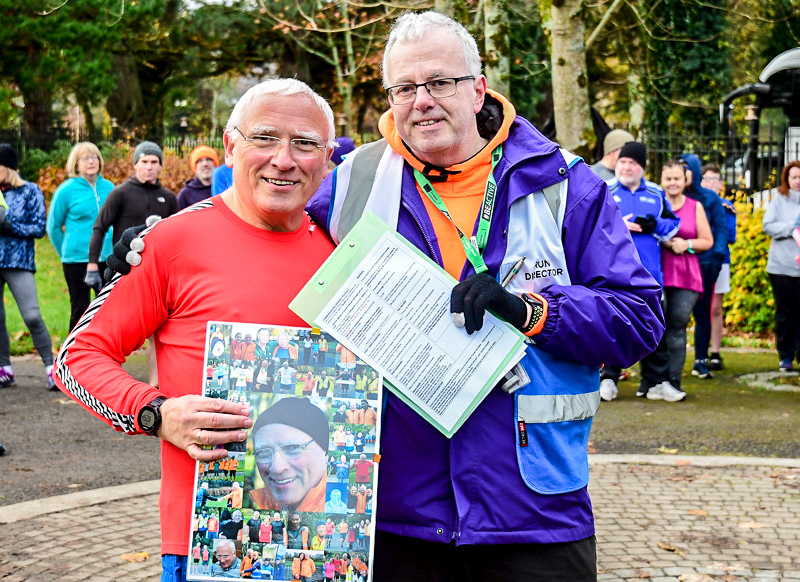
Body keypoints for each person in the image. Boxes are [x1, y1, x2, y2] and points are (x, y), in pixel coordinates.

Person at [305, 12, 662, 580]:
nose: (422, 100)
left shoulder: (562, 182)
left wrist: (534, 312)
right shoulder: (352, 183)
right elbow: (265, 235)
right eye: (404, 87)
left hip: (533, 510)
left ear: (477, 90)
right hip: (395, 510)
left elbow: (638, 319)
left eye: (439, 82)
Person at [53, 78, 337, 581]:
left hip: (325, 545)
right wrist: (157, 413)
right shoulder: (170, 241)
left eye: (305, 143)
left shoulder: (343, 250)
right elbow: (76, 359)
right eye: (264, 138)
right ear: (230, 146)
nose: (284, 159)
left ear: (327, 157)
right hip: (205, 547)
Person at [87, 140, 179, 387]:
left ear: (160, 166)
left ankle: (156, 384)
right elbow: (99, 227)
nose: (148, 166)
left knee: (158, 331)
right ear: (135, 164)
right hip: (125, 269)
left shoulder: (168, 198)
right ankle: (107, 380)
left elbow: (179, 236)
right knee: (117, 327)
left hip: (159, 273)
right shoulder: (121, 193)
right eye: (144, 161)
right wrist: (93, 265)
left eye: (154, 162)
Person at [602, 142, 679, 401]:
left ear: (642, 168)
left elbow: (673, 226)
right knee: (612, 326)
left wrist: (654, 225)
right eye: (623, 162)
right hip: (613, 275)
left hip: (649, 275)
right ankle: (607, 379)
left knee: (653, 327)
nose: (626, 167)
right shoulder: (605, 190)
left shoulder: (656, 193)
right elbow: (590, 226)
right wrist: (618, 225)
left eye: (633, 163)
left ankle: (654, 383)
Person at [0, 143, 55, 389]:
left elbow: (38, 228)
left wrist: (8, 224)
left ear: (8, 167)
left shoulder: (30, 191)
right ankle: (4, 368)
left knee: (32, 316)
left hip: (18, 261)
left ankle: (52, 368)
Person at [658, 160, 713, 397]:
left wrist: (687, 244)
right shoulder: (655, 203)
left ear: (685, 181)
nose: (672, 183)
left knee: (677, 327)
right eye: (668, 178)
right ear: (661, 180)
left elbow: (707, 241)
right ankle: (654, 380)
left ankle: (673, 380)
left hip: (686, 276)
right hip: (658, 273)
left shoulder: (695, 206)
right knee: (656, 327)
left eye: (677, 178)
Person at [47, 142, 115, 331]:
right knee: (80, 310)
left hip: (106, 259)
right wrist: (66, 252)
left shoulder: (109, 187)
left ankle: (105, 348)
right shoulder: (66, 190)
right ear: (75, 164)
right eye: (85, 158)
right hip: (76, 261)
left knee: (108, 309)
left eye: (94, 157)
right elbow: (53, 227)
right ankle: (75, 349)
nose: (91, 162)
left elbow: (117, 221)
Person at [678, 153, 727, 379]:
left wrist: (717, 257)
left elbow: (721, 229)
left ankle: (701, 359)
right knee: (675, 314)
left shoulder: (710, 198)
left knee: (703, 312)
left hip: (705, 263)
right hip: (679, 262)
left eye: (686, 169)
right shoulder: (673, 196)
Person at [249, 397, 329, 511]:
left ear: (326, 452)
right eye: (263, 452)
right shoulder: (259, 506)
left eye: (292, 448)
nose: (276, 468)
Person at [763, 161, 800, 371]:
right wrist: (793, 228)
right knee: (785, 313)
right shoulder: (778, 199)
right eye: (794, 177)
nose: (797, 181)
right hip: (782, 268)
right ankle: (785, 355)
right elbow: (768, 225)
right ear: (787, 179)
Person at [701, 164, 736, 370]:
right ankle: (700, 352)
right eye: (707, 179)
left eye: (715, 179)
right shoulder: (696, 203)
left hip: (719, 259)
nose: (711, 183)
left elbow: (730, 234)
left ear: (721, 184)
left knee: (715, 307)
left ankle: (715, 351)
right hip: (698, 258)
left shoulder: (726, 206)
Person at [178, 145, 219, 209]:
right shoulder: (185, 194)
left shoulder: (224, 188)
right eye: (200, 161)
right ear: (195, 167)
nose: (205, 164)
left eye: (208, 159)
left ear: (215, 164)